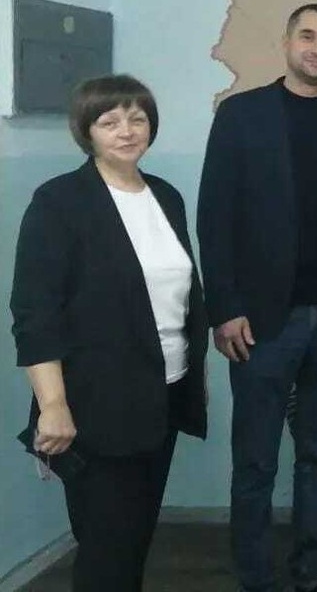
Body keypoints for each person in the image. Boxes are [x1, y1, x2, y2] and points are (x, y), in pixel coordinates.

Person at [197, 3, 317, 592]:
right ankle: (257, 578)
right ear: (286, 42)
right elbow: (215, 219)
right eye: (308, 36)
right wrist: (224, 308)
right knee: (255, 461)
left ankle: (314, 572)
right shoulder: (241, 115)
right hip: (259, 320)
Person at [9, 74, 208, 592]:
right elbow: (35, 313)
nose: (126, 131)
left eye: (137, 119)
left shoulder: (165, 197)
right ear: (87, 130)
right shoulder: (60, 202)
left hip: (162, 395)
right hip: (96, 403)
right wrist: (53, 405)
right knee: (106, 550)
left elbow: (179, 298)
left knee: (134, 540)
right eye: (110, 121)